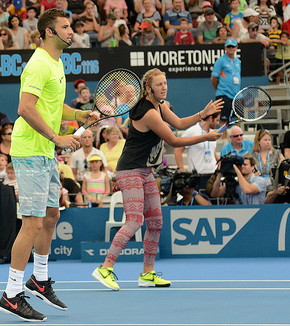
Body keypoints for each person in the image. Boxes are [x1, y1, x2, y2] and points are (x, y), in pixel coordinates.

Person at [91, 68, 222, 291]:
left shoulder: (159, 106)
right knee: (134, 221)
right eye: (159, 84)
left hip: (146, 171)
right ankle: (105, 267)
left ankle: (147, 273)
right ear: (148, 88)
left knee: (156, 222)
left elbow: (179, 123)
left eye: (165, 83)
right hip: (130, 171)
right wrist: (206, 137)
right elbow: (174, 140)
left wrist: (202, 113)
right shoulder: (148, 112)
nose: (164, 87)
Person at [0, 8, 87, 323]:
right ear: (50, 31)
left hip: (45, 152)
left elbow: (53, 105)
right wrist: (57, 137)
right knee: (32, 223)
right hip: (30, 151)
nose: (71, 31)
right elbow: (25, 108)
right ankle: (11, 294)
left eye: (71, 26)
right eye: (65, 26)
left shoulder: (56, 62)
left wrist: (78, 115)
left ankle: (39, 279)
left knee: (51, 216)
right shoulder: (38, 64)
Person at [174, 112, 220, 191]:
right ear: (210, 118)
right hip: (198, 178)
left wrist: (219, 162)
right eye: (217, 120)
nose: (218, 123)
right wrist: (181, 170)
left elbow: (211, 149)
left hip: (213, 177)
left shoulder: (212, 132)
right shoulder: (191, 131)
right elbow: (177, 151)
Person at [211, 38, 241, 129]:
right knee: (224, 120)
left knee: (239, 119)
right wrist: (219, 90)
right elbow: (214, 78)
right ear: (225, 48)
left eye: (233, 46)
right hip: (224, 95)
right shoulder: (220, 61)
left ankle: (237, 136)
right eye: (229, 46)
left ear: (236, 47)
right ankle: (223, 138)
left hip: (236, 95)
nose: (231, 48)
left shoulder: (238, 61)